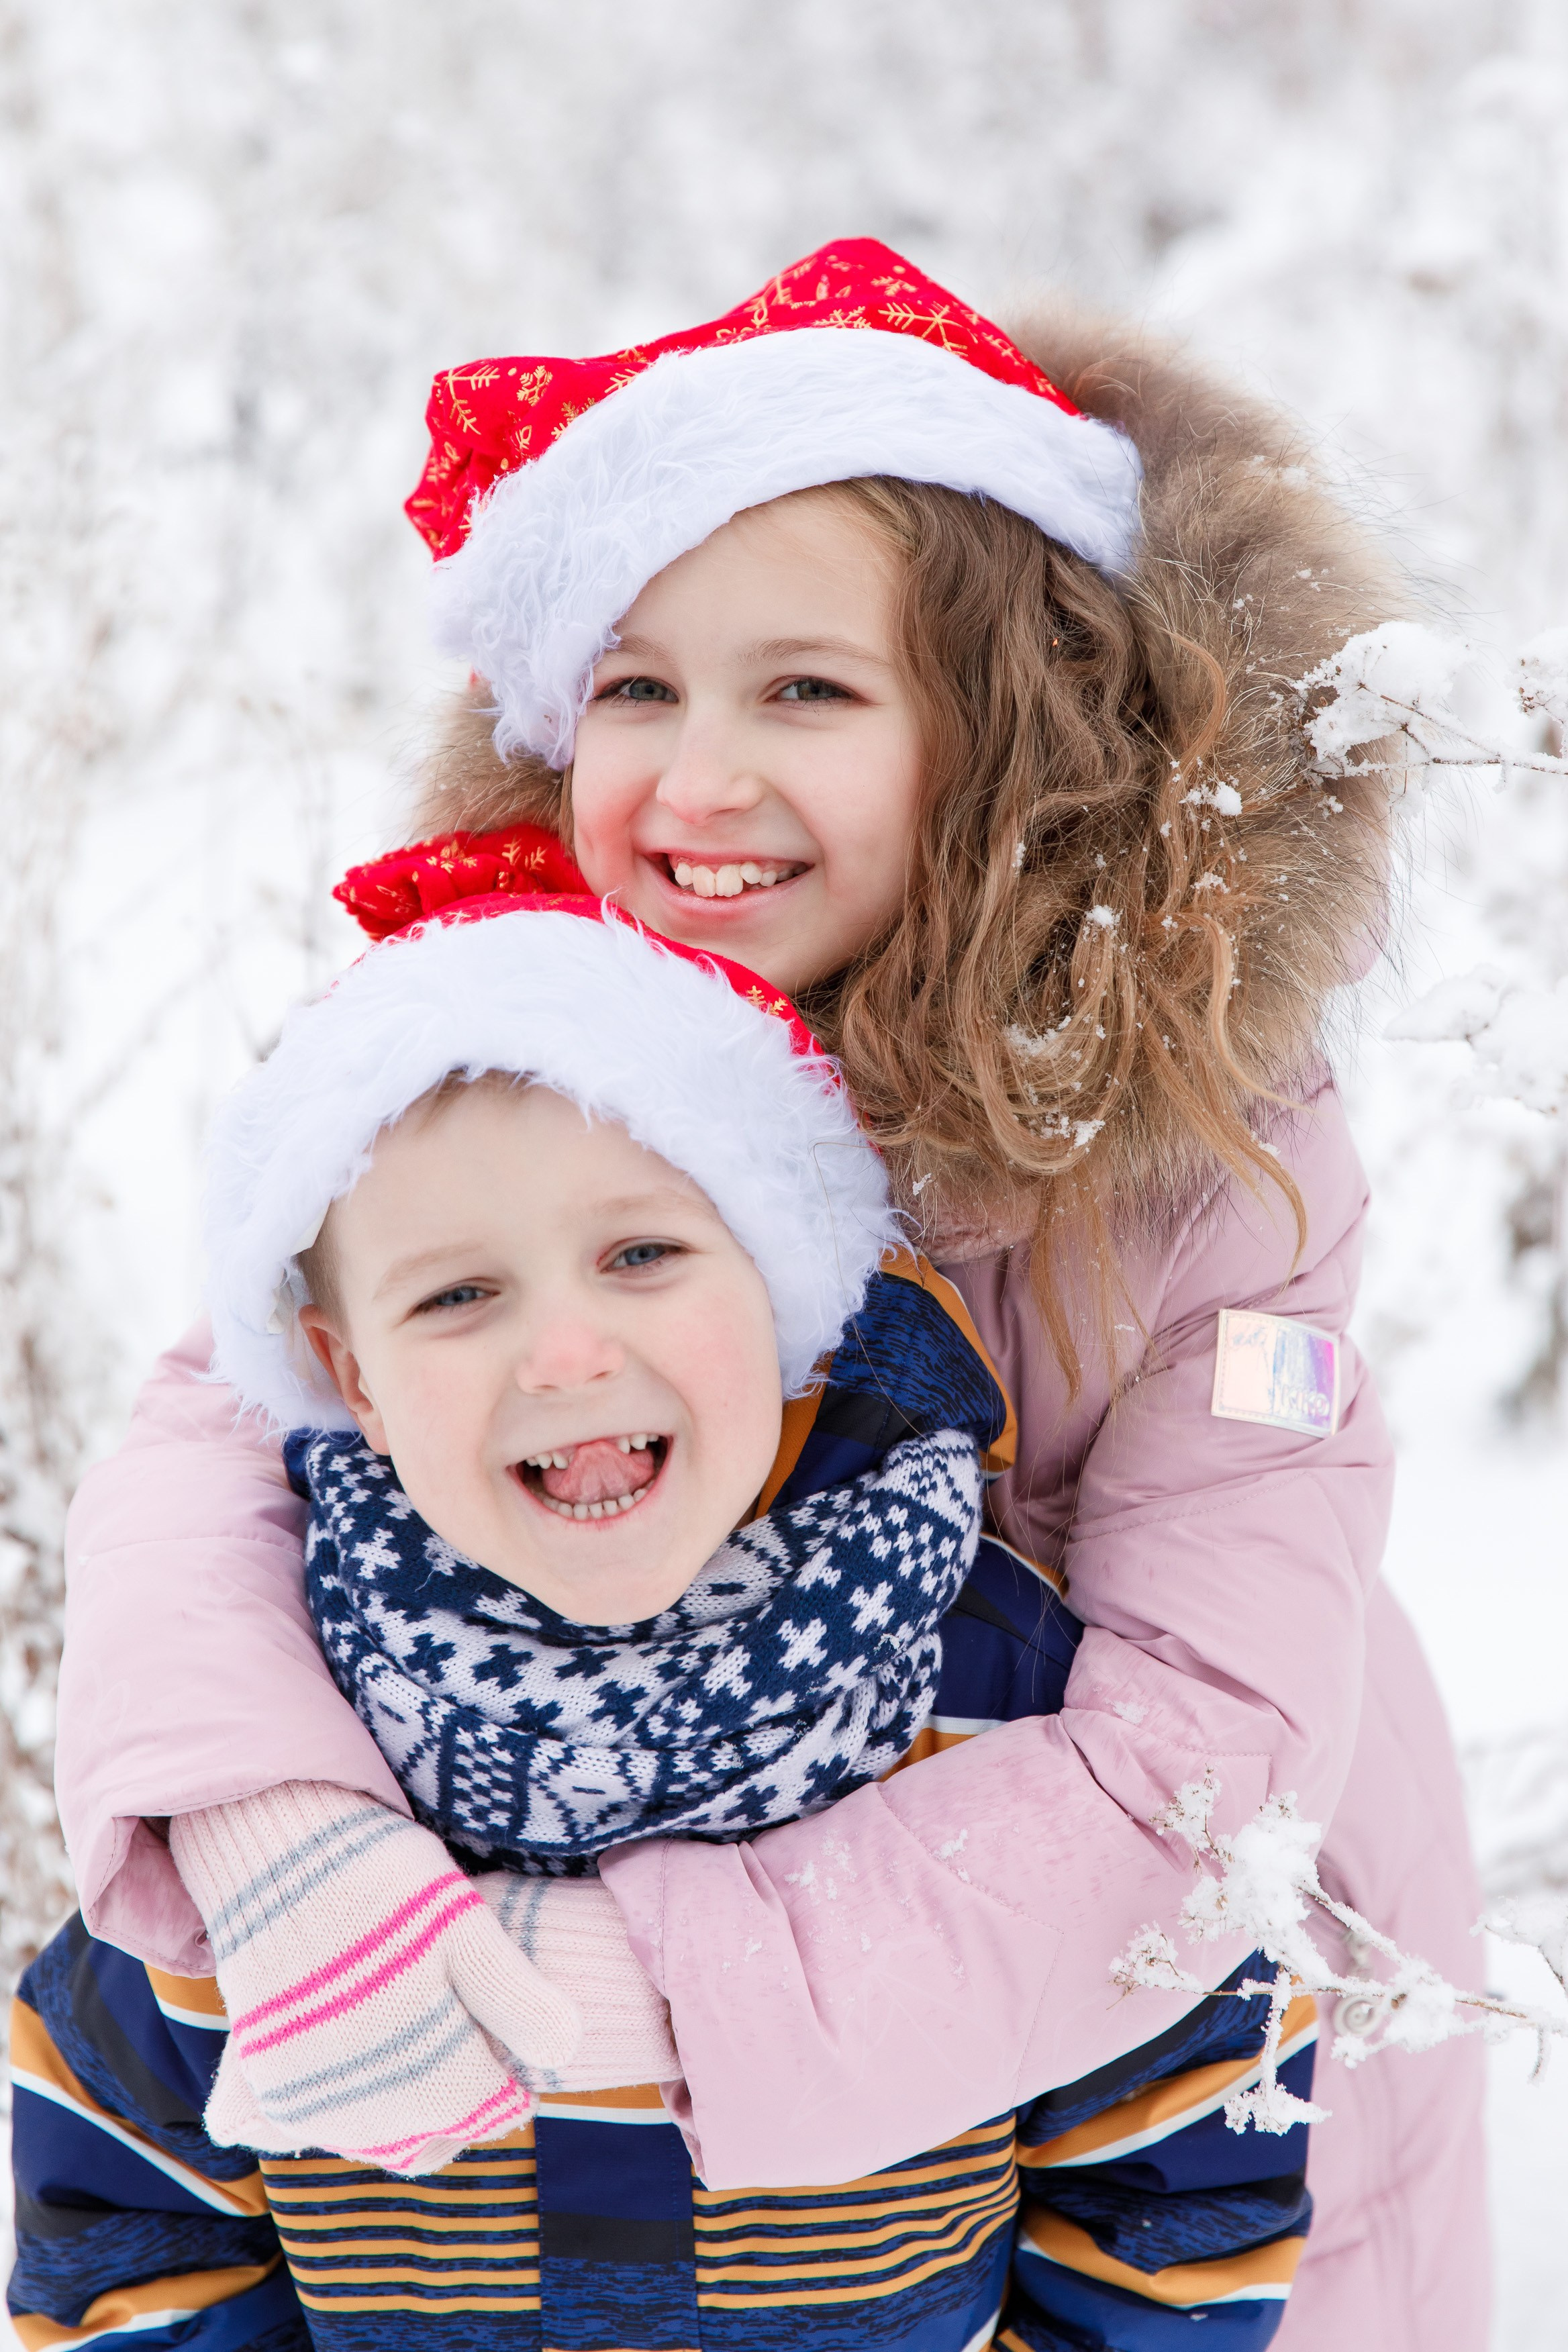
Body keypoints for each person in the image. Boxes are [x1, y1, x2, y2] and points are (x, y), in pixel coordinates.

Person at [46, 240, 1485, 2346]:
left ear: (1000, 729)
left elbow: (1205, 1744)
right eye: (637, 688)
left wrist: (654, 1974)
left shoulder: (1206, 1140)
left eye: (803, 689)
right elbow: (217, 1432)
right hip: (610, 2097)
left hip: (1153, 2037)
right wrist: (276, 1824)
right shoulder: (531, 1032)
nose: (697, 782)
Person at [13, 876, 1318, 2352]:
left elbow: (1179, 2152)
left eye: (641, 1255)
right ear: (352, 1376)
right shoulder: (287, 1762)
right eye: (457, 1297)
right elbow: (125, 2202)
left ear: (784, 1287)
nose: (566, 1351)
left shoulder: (984, 1697)